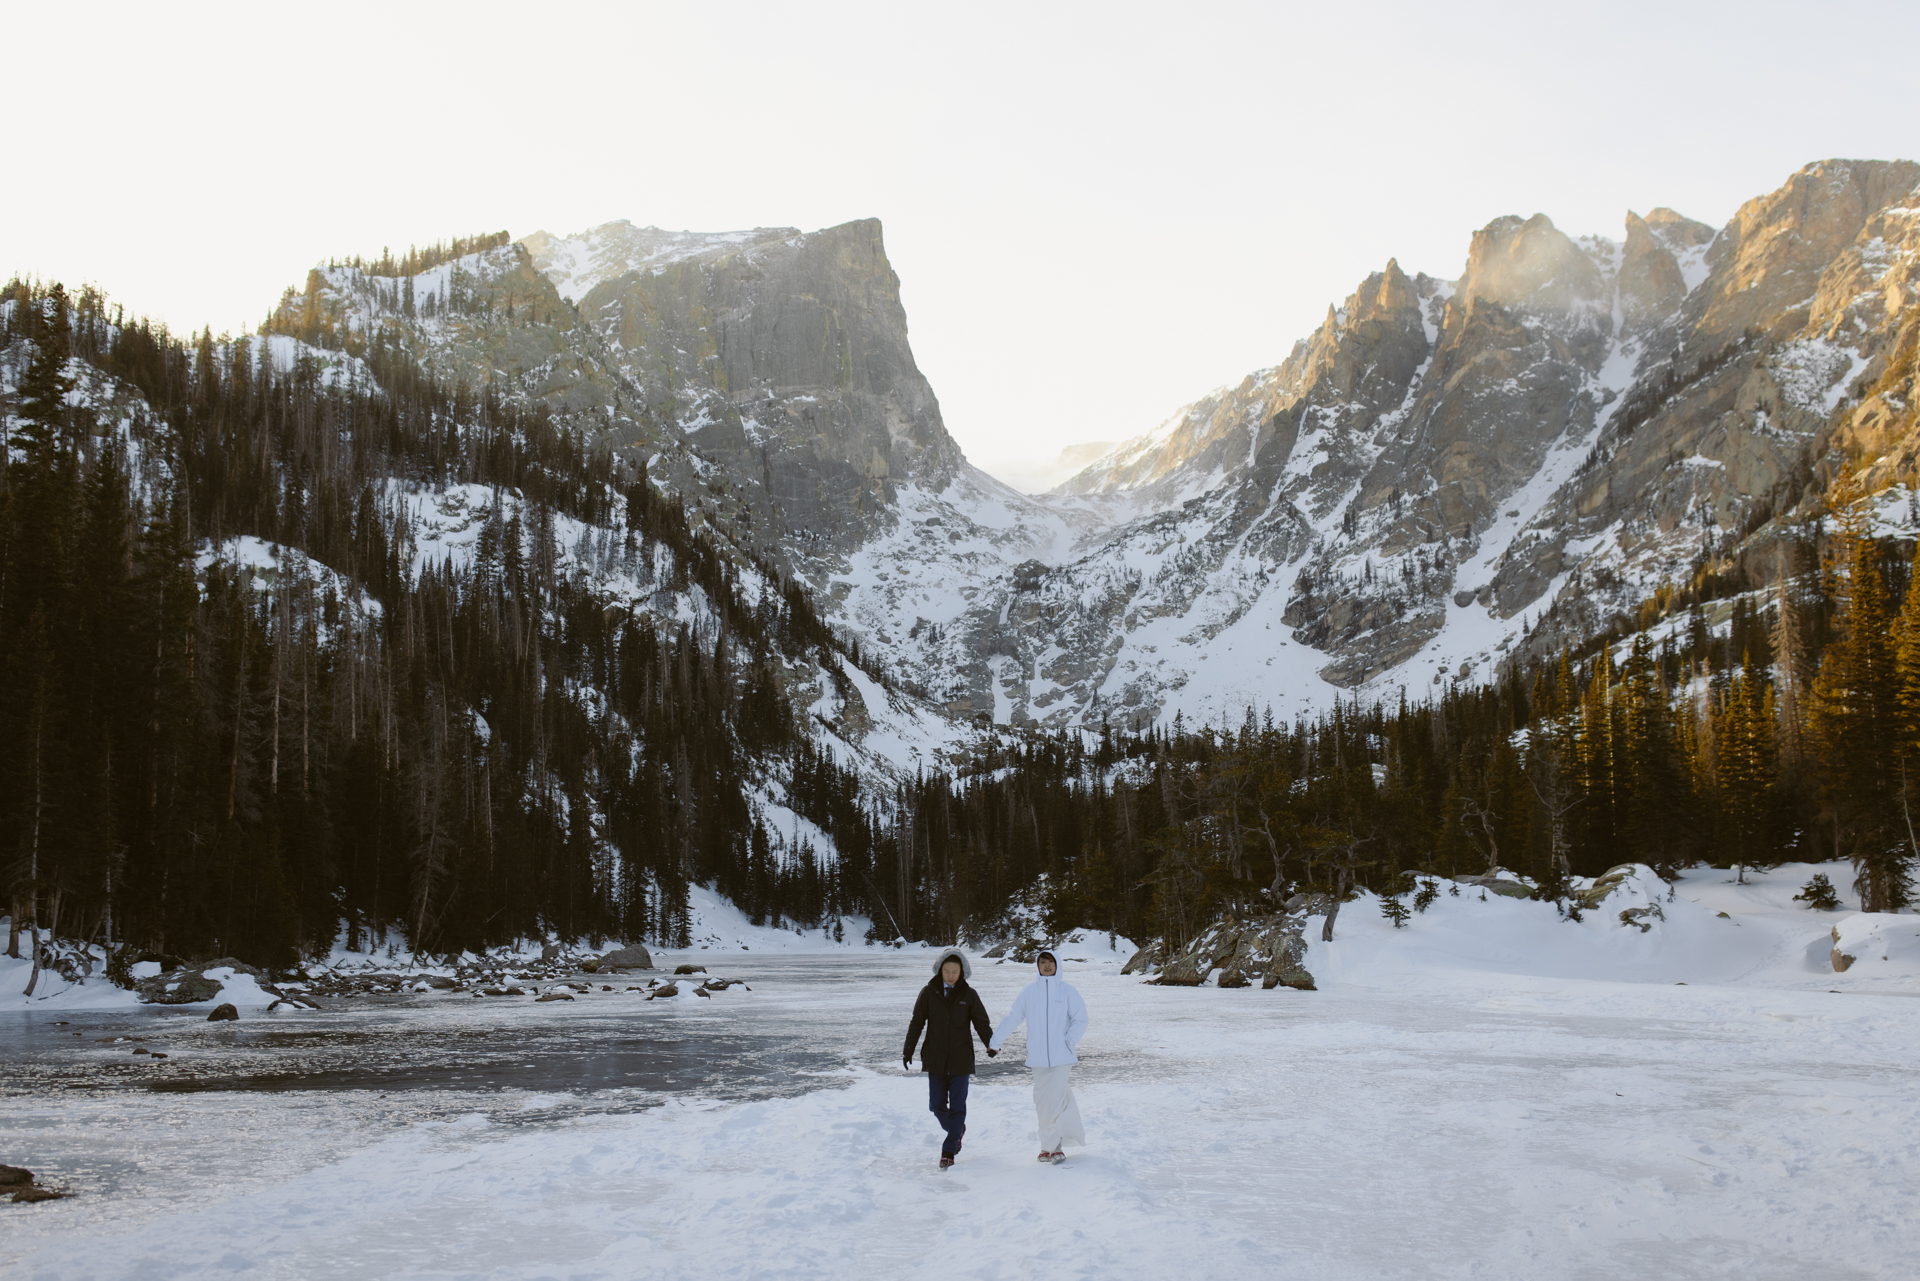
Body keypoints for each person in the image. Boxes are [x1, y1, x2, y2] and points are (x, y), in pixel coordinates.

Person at [990, 948, 1088, 1163]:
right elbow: (1013, 1017)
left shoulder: (1067, 991)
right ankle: (1046, 1145)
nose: (1046, 966)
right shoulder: (1028, 992)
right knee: (1042, 1103)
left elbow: (1081, 1019)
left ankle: (1055, 1147)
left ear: (1057, 965)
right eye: (1042, 962)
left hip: (1062, 1057)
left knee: (1055, 1100)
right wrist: (995, 1042)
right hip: (1038, 1058)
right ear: (1037, 966)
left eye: (1050, 962)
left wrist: (1068, 1040)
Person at [902, 950, 996, 1170]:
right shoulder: (928, 992)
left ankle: (948, 1150)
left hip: (961, 1059)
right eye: (947, 971)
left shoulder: (969, 994)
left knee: (958, 1106)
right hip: (935, 1057)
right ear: (939, 970)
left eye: (955, 971)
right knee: (936, 1106)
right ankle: (958, 1129)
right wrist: (908, 1050)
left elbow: (981, 1022)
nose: (951, 975)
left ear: (962, 972)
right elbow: (917, 1023)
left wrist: (990, 1043)